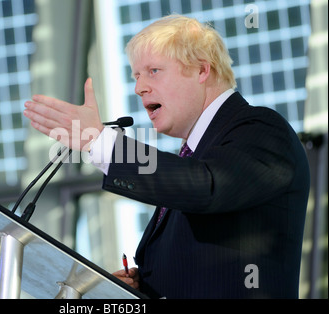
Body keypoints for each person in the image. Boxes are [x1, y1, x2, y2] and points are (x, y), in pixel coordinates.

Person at [23, 14, 310, 298]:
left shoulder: (261, 129)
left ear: (201, 70)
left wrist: (100, 142)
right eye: (136, 75)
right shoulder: (193, 158)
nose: (139, 87)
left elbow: (206, 187)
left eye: (153, 71)